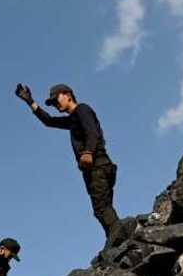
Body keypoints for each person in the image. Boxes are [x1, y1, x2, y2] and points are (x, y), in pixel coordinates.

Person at [14, 82, 121, 245]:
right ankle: (116, 242)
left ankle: (119, 239)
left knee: (102, 208)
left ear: (68, 95)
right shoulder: (72, 120)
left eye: (56, 99)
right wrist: (30, 102)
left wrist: (88, 152)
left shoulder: (82, 109)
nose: (55, 105)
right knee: (103, 209)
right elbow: (49, 121)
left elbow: (92, 131)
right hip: (94, 169)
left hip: (98, 166)